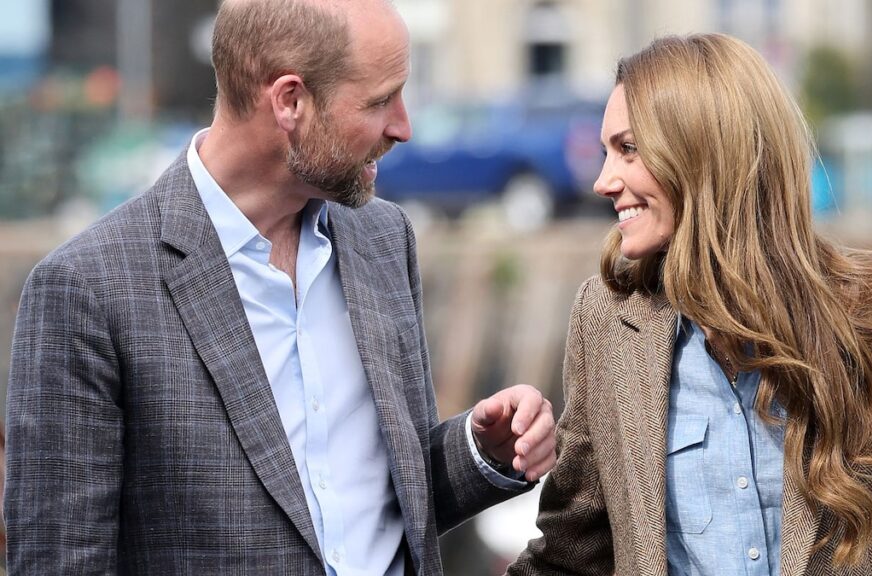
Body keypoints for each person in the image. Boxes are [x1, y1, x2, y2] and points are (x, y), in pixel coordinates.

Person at [4, 0, 556, 574]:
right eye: (378, 101)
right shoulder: (87, 289)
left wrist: (480, 452)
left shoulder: (384, 239)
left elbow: (380, 500)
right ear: (289, 101)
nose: (404, 127)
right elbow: (60, 561)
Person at [507, 33, 872, 575]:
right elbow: (570, 558)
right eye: (605, 153)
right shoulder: (607, 322)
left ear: (700, 151)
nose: (603, 181)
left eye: (628, 149)